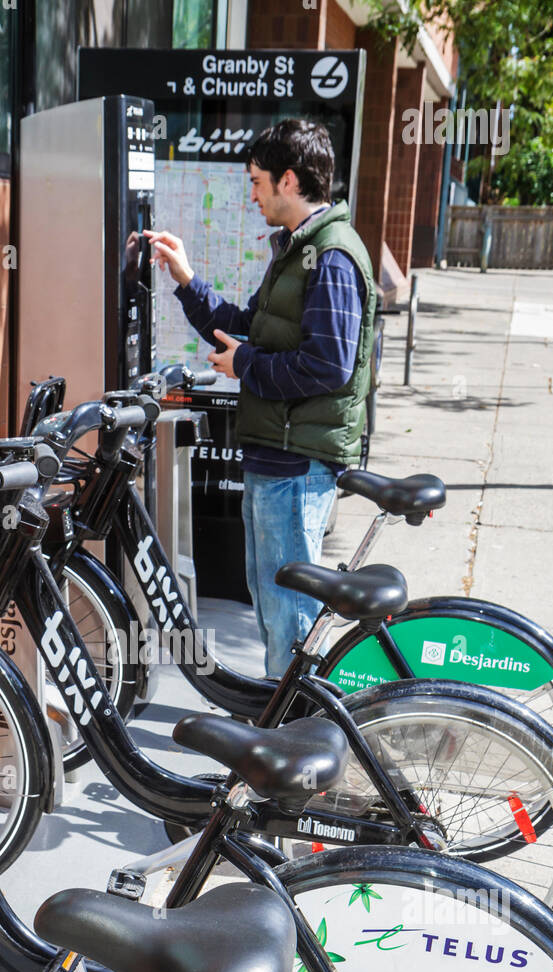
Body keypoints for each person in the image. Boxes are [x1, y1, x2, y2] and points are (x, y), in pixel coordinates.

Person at [145, 118, 376, 678]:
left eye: (256, 182)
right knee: (273, 607)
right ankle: (281, 733)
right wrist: (186, 280)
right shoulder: (297, 251)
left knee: (290, 618)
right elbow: (247, 325)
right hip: (275, 454)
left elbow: (328, 367)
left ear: (289, 180)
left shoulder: (332, 257)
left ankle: (291, 744)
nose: (250, 196)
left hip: (297, 464)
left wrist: (243, 364)